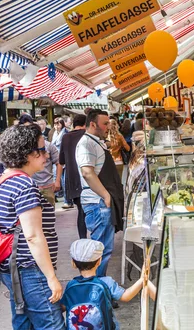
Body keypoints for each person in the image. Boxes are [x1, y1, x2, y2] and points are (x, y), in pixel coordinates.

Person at [0, 124, 65, 329]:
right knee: (51, 324)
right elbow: (33, 236)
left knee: (23, 322)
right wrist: (51, 278)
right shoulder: (25, 186)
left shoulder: (4, 179)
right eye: (41, 150)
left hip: (12, 268)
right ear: (26, 153)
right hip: (30, 269)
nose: (46, 155)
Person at [61, 239, 156, 330]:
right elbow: (126, 296)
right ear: (99, 262)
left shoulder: (71, 285)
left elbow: (63, 307)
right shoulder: (106, 282)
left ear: (73, 263)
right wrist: (142, 279)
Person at [76, 109, 124, 277]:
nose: (107, 127)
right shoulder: (86, 144)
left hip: (100, 202)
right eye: (104, 124)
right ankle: (97, 287)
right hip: (97, 203)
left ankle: (100, 285)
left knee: (104, 249)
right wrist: (105, 195)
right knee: (100, 250)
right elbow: (87, 173)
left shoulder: (96, 141)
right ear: (92, 124)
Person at [59, 114, 87, 236]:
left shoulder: (66, 137)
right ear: (85, 124)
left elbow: (61, 161)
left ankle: (83, 239)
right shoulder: (87, 136)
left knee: (81, 211)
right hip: (87, 180)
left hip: (72, 182)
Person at [107, 116, 130, 181]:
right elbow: (128, 148)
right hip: (118, 161)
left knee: (111, 181)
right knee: (119, 181)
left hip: (109, 162)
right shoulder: (119, 136)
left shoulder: (105, 137)